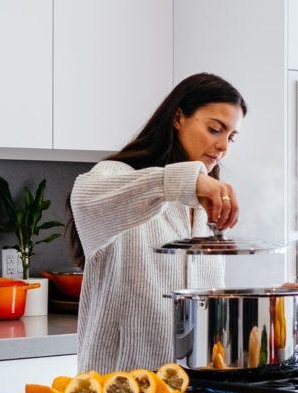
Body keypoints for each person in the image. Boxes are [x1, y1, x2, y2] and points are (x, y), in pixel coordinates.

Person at [65, 72, 248, 373]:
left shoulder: (204, 209)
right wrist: (186, 181)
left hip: (192, 390)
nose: (223, 146)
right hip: (119, 392)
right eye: (215, 129)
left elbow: (205, 307)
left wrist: (270, 302)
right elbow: (84, 197)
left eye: (231, 137)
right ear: (178, 118)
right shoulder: (114, 175)